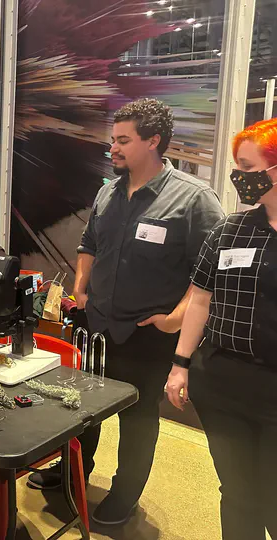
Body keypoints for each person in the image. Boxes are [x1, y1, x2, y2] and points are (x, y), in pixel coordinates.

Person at [27, 98, 225, 525]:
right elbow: (89, 244)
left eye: (122, 140)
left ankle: (125, 493)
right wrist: (80, 287)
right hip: (97, 326)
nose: (112, 148)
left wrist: (175, 319)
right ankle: (73, 473)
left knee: (137, 416)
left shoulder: (194, 200)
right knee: (81, 406)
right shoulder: (108, 192)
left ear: (153, 141)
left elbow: (209, 272)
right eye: (112, 139)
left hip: (147, 333)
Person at [166, 118, 277, 540]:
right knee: (237, 491)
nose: (238, 177)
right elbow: (200, 299)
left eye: (247, 167)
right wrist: (180, 364)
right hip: (224, 384)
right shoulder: (230, 231)